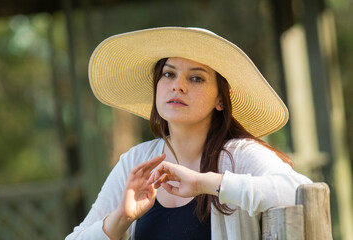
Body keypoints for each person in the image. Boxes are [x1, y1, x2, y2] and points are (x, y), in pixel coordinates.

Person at [66, 27, 312, 240]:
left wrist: (204, 183)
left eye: (196, 78)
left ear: (220, 99)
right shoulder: (136, 161)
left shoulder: (239, 155)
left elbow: (301, 190)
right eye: (168, 74)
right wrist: (121, 218)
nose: (178, 85)